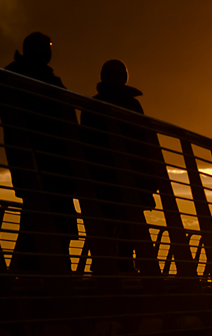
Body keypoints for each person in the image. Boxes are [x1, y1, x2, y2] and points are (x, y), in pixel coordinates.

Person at [0, 32, 79, 273]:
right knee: (47, 221)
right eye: (46, 48)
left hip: (45, 165)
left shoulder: (18, 76)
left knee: (39, 222)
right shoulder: (34, 80)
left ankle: (34, 273)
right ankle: (48, 276)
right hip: (49, 165)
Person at [80, 60, 162, 275]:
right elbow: (145, 144)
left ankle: (114, 267)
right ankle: (113, 267)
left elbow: (145, 144)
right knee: (118, 224)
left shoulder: (94, 105)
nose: (116, 78)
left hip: (114, 178)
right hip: (113, 178)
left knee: (121, 226)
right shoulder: (130, 106)